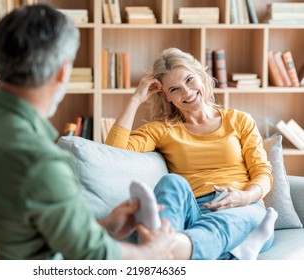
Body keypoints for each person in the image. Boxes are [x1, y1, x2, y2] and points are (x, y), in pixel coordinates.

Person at [0, 4, 178, 260]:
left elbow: (24, 232)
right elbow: (92, 255)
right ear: (63, 72)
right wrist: (150, 252)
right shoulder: (41, 160)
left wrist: (104, 226)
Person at [105, 47, 278, 260]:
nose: (186, 93)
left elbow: (263, 172)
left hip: (245, 207)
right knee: (172, 182)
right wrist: (136, 99)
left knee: (230, 222)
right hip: (195, 210)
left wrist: (245, 196)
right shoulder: (162, 129)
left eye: (189, 80)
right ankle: (230, 251)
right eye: (174, 89)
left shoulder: (239, 120)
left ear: (201, 76)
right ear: (166, 97)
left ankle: (165, 250)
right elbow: (114, 152)